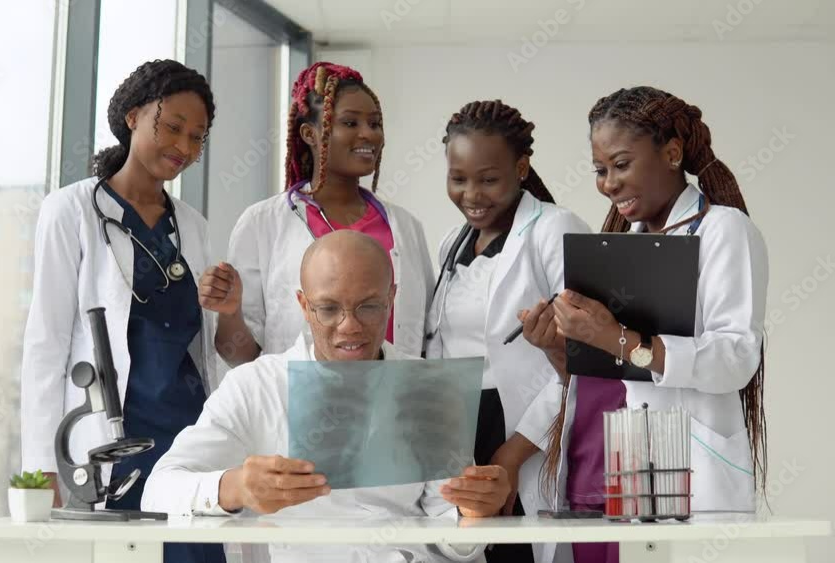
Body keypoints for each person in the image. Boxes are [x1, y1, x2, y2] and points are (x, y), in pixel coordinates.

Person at [142, 231, 509, 563]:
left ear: (391, 298)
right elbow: (158, 492)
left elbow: (452, 544)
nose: (350, 326)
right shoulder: (254, 386)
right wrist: (235, 487)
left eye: (368, 306)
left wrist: (473, 516)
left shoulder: (427, 386)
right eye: (329, 309)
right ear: (304, 305)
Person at [520, 86, 768, 563]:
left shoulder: (723, 231)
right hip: (601, 462)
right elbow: (601, 370)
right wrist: (556, 346)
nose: (608, 184)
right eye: (600, 170)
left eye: (620, 164)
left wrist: (615, 337)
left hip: (682, 474)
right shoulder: (616, 242)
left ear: (672, 153)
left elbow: (735, 358)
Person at [20, 59, 225, 563]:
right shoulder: (71, 211)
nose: (182, 147)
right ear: (133, 116)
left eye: (196, 138)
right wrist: (43, 461)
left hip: (188, 439)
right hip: (113, 440)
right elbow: (45, 342)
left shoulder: (192, 227)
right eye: (171, 126)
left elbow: (203, 344)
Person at [425, 100, 590, 563]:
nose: (472, 194)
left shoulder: (554, 230)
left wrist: (513, 455)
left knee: (517, 551)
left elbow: (583, 362)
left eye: (488, 179)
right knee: (464, 546)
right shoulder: (450, 243)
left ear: (521, 168)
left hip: (520, 428)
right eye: (458, 178)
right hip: (458, 424)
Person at [198, 62, 434, 366]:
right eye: (350, 123)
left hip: (393, 403)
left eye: (374, 124)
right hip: (296, 405)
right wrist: (230, 312)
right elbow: (242, 357)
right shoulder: (263, 223)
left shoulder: (405, 227)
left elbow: (426, 337)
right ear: (310, 134)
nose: (368, 134)